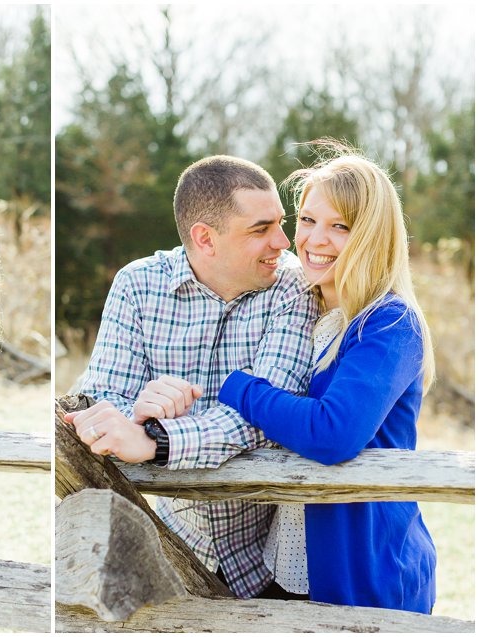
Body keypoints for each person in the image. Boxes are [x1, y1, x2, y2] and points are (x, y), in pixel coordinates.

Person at [63, 155, 319, 599]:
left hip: (271, 559)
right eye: (260, 229)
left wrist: (155, 440)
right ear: (205, 239)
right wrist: (137, 415)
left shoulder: (295, 287)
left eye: (281, 223)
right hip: (170, 545)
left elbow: (270, 415)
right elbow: (96, 399)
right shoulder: (138, 285)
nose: (283, 241)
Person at [216, 147, 436, 612]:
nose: (315, 239)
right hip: (284, 566)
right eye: (308, 220)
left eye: (340, 226)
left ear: (372, 237)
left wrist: (238, 387)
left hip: (366, 574)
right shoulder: (300, 310)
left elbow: (333, 431)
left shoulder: (390, 324)